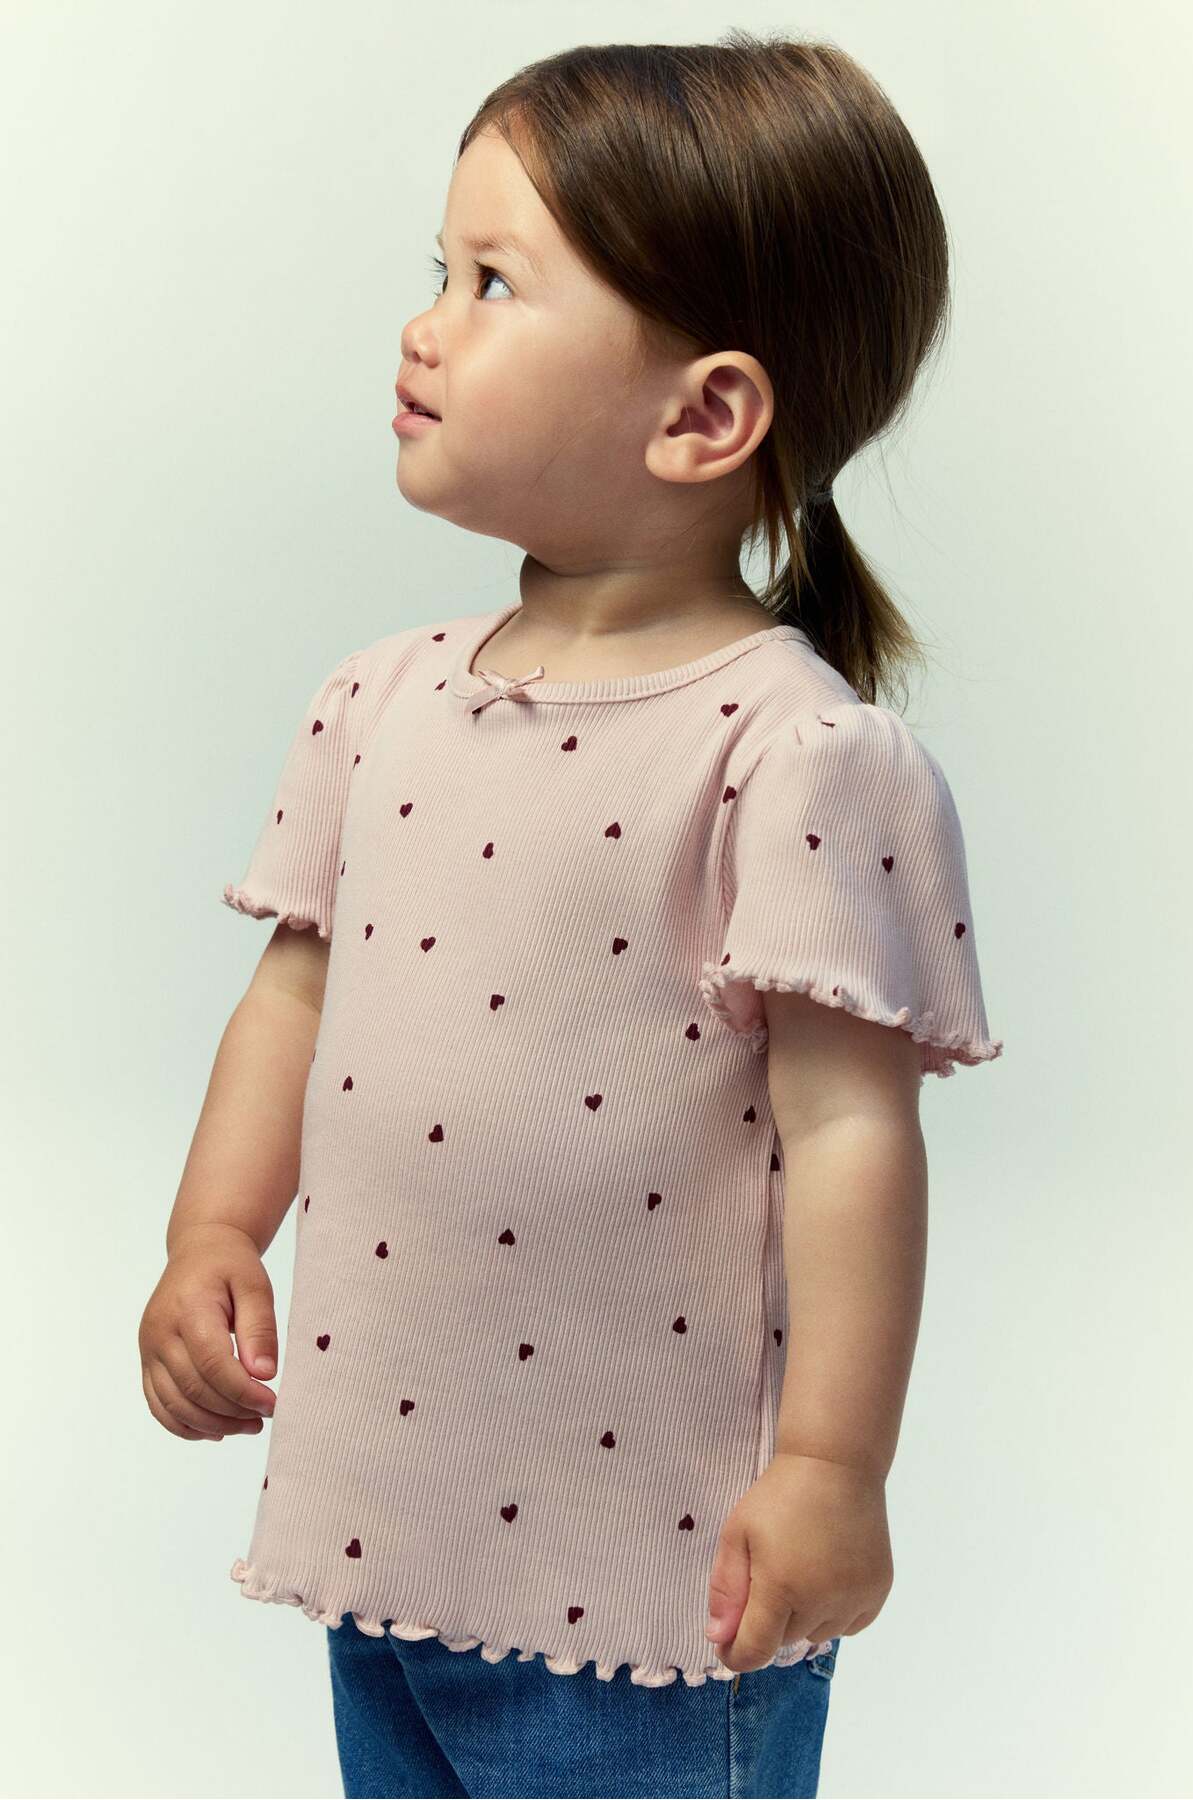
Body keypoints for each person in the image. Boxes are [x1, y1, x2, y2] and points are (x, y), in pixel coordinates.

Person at [138, 31, 1003, 1800]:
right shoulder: (380, 701)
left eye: (492, 283)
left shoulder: (793, 757)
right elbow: (293, 1000)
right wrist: (212, 1229)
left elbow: (850, 1136)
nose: (423, 326)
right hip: (394, 1528)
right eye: (435, 269)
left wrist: (832, 1469)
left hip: (656, 1579)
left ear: (704, 416)